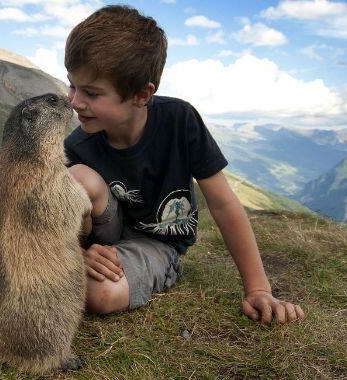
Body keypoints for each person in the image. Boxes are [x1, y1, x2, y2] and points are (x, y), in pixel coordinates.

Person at [63, 5, 304, 325]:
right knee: (76, 178)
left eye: (91, 93)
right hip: (101, 237)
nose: (75, 101)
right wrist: (78, 254)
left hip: (158, 242)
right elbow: (55, 215)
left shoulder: (180, 121)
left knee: (100, 295)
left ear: (140, 95)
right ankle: (72, 262)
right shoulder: (77, 145)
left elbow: (223, 204)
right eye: (72, 85)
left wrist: (258, 287)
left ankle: (153, 269)